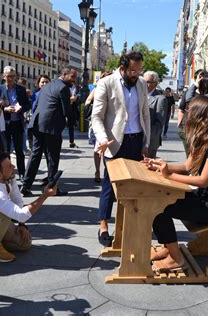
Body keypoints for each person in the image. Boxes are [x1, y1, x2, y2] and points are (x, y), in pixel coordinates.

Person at [143, 95, 208, 273]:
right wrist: (160, 165)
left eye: (190, 110)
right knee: (156, 201)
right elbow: (187, 166)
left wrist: (168, 175)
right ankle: (170, 247)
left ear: (200, 114)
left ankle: (176, 258)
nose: (186, 113)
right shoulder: (203, 137)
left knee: (158, 208)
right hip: (205, 197)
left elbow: (203, 180)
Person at [91, 51, 151, 247]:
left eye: (139, 70)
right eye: (133, 70)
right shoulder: (106, 83)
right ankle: (104, 226)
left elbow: (145, 114)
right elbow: (97, 116)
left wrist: (146, 142)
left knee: (135, 185)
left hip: (136, 140)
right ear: (123, 68)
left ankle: (130, 225)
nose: (136, 74)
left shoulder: (141, 83)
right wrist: (102, 138)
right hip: (114, 142)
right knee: (110, 185)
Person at [0, 151, 57, 262]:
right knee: (3, 214)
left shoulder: (9, 178)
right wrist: (45, 195)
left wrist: (22, 225)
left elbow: (17, 200)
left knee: (24, 244)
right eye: (9, 166)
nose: (13, 166)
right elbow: (21, 215)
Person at [20, 67, 78, 197]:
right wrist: (73, 123)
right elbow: (66, 110)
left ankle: (25, 186)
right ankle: (51, 188)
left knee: (35, 155)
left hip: (37, 123)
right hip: (51, 126)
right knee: (52, 157)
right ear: (64, 74)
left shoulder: (47, 86)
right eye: (72, 77)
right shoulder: (63, 88)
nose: (74, 80)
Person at [0, 66, 31, 178]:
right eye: (8, 76)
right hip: (5, 124)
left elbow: (28, 104)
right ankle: (7, 174)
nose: (11, 79)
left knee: (19, 150)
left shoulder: (21, 89)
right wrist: (5, 109)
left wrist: (21, 108)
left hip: (18, 123)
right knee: (6, 150)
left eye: (13, 76)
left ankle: (22, 173)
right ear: (4, 76)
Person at [177, 69, 207, 156]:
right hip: (187, 128)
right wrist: (179, 125)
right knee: (190, 154)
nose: (202, 79)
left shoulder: (207, 94)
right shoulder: (189, 92)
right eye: (200, 77)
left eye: (205, 76)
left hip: (202, 128)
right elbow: (181, 109)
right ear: (195, 79)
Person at [144, 71, 168, 158]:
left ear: (155, 83)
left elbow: (159, 123)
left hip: (150, 141)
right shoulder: (140, 95)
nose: (145, 84)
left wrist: (147, 140)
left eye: (148, 82)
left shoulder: (160, 99)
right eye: (144, 81)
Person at [68, 83, 79, 148]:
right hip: (65, 107)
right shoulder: (64, 86)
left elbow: (79, 95)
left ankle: (71, 142)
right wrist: (69, 99)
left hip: (72, 108)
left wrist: (76, 98)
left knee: (71, 126)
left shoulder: (76, 87)